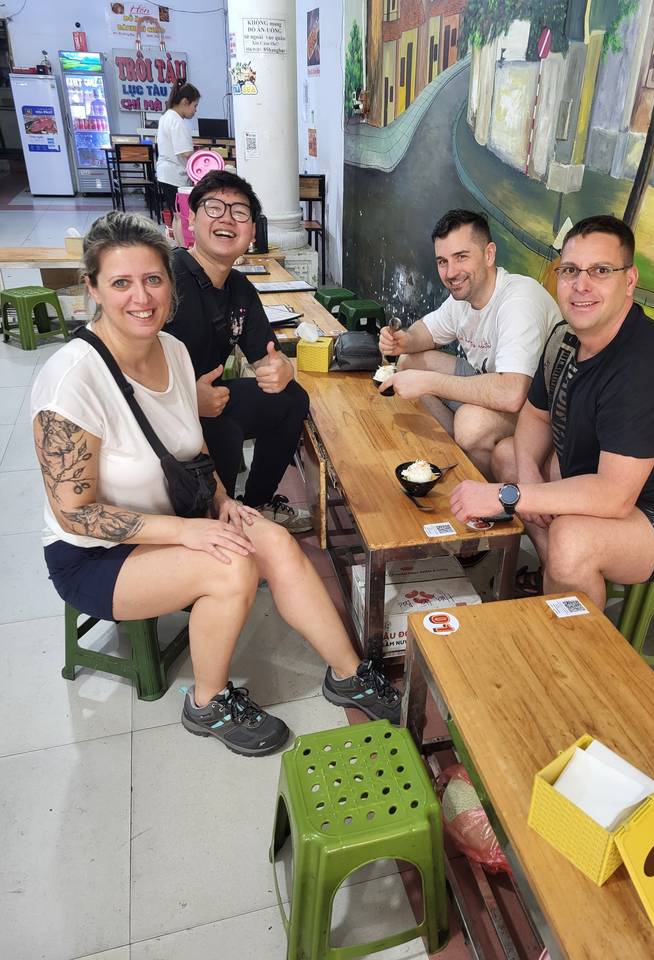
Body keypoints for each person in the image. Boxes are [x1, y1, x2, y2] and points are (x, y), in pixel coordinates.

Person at [31, 211, 400, 757]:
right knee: (232, 567)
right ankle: (206, 702)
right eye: (121, 282)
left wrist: (223, 502)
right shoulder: (71, 381)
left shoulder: (173, 352)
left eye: (153, 280)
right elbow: (75, 514)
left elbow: (193, 448)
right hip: (96, 554)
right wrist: (186, 534)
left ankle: (347, 673)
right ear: (93, 289)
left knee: (273, 540)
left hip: (173, 520)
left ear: (169, 284)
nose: (141, 297)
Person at [449, 215, 654, 608]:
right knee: (510, 455)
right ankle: (556, 583)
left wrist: (508, 497)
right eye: (571, 270)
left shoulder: (651, 366)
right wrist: (527, 480)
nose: (581, 285)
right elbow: (536, 416)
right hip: (611, 479)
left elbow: (613, 497)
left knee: (572, 540)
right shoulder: (566, 339)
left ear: (629, 280)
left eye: (601, 271)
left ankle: (574, 657)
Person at [168, 169, 312, 532]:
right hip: (161, 410)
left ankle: (257, 505)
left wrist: (283, 370)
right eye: (214, 207)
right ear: (192, 218)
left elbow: (268, 357)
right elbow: (126, 370)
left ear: (251, 231)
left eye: (240, 212)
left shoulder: (239, 287)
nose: (227, 219)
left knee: (291, 399)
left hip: (211, 401)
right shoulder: (167, 278)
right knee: (224, 434)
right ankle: (220, 524)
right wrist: (186, 399)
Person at [378, 209, 562, 477]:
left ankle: (486, 491)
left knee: (471, 424)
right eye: (442, 261)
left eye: (461, 257)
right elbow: (426, 332)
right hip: (492, 381)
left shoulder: (519, 301)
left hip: (536, 408)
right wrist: (403, 341)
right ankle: (457, 457)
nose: (451, 272)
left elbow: (512, 393)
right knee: (408, 362)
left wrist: (428, 382)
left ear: (489, 254)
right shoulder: (461, 299)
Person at [156, 79, 200, 215]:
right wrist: (200, 155)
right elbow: (186, 153)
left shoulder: (166, 116)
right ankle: (180, 237)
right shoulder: (177, 121)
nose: (195, 111)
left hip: (165, 174)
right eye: (195, 106)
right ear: (185, 102)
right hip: (174, 176)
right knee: (182, 215)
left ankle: (176, 237)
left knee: (176, 214)